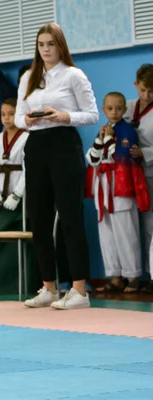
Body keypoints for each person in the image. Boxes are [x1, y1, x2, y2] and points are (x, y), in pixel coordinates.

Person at [16, 23, 99, 310]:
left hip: (64, 143)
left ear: (60, 46)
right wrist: (26, 120)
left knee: (70, 216)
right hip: (36, 144)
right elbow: (16, 117)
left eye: (51, 44)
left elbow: (92, 114)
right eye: (41, 44)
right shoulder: (29, 77)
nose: (46, 49)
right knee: (38, 218)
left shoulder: (74, 75)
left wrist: (63, 115)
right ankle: (48, 286)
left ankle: (78, 289)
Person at [86, 92, 149, 293]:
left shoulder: (128, 131)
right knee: (107, 234)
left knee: (126, 232)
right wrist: (103, 140)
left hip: (121, 187)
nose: (114, 112)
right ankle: (115, 274)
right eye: (110, 108)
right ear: (103, 110)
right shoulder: (103, 130)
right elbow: (94, 158)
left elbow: (120, 156)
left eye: (119, 108)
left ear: (125, 110)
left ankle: (133, 275)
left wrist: (109, 140)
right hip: (103, 187)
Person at [126, 64, 153, 293]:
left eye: (152, 91)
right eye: (143, 90)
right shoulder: (127, 107)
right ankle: (141, 274)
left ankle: (152, 275)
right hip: (129, 175)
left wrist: (146, 153)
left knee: (151, 226)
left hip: (150, 172)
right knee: (135, 227)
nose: (147, 95)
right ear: (136, 86)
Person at [0, 98, 28, 210]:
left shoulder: (27, 138)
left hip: (20, 189)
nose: (6, 118)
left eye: (11, 114)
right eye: (3, 114)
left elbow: (29, 168)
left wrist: (17, 194)